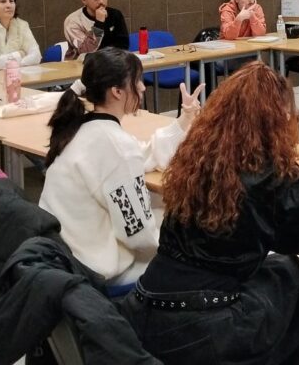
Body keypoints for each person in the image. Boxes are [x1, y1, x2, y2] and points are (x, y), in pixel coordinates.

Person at [122, 61, 299, 365]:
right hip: (203, 325)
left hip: (145, 306)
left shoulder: (197, 157)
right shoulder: (274, 175)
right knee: (289, 278)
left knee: (280, 269)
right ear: (278, 118)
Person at [39, 48, 201, 285]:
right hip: (95, 268)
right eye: (137, 81)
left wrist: (184, 119)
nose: (143, 87)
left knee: (163, 210)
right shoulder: (116, 145)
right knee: (190, 240)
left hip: (63, 252)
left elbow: (141, 154)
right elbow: (139, 234)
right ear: (116, 91)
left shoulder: (79, 127)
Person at [63, 0, 129, 60]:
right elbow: (86, 51)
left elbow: (123, 46)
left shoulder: (115, 14)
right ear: (84, 0)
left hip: (111, 62)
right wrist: (99, 23)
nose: (101, 1)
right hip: (80, 64)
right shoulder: (73, 21)